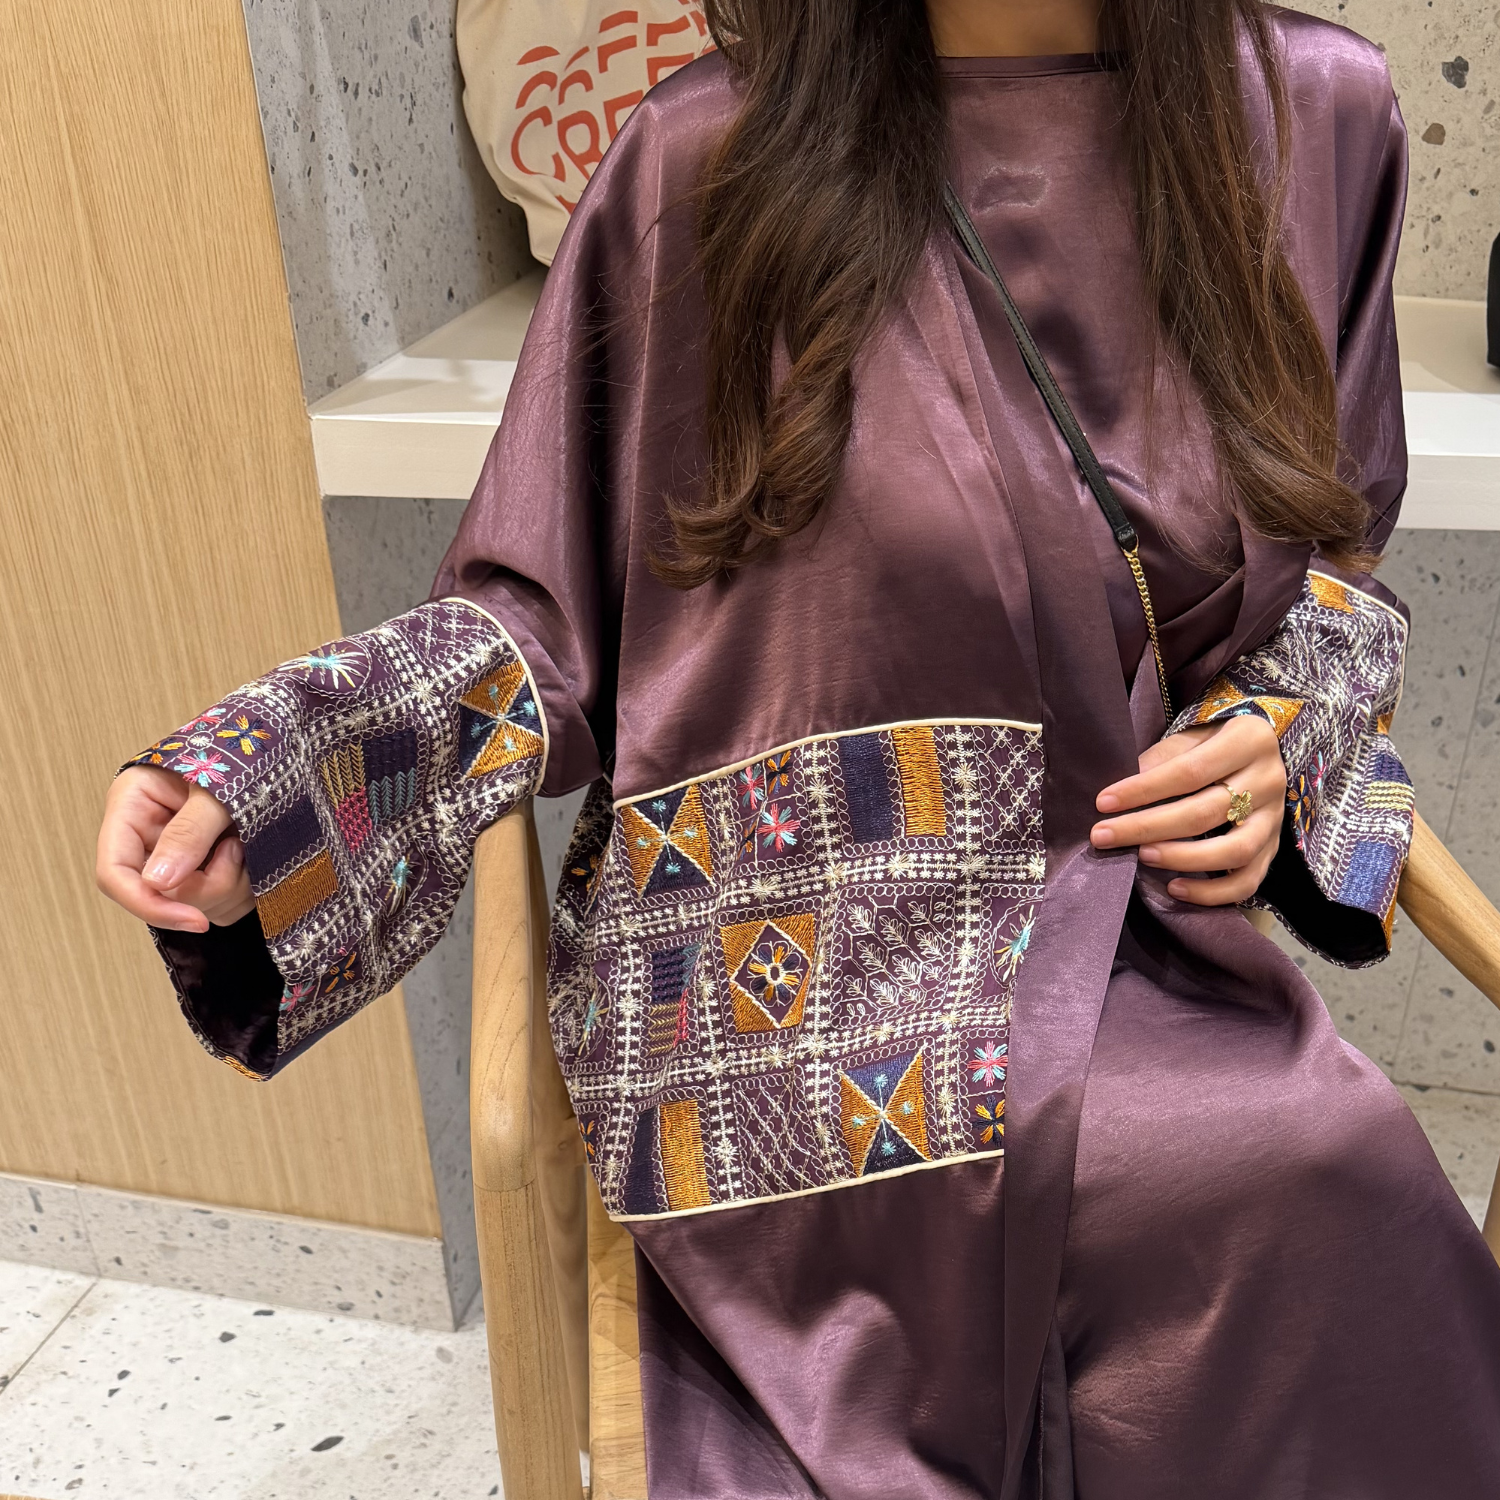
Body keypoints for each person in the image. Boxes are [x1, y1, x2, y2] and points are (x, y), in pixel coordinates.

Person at [96, 0, 1500, 1493]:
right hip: (790, 984)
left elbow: (1337, 559)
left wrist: (1280, 730)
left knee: (1323, 1177)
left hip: (1145, 937)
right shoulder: (704, 160)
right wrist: (276, 780)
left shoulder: (1314, 117)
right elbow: (536, 623)